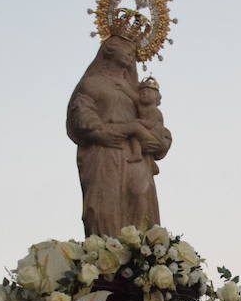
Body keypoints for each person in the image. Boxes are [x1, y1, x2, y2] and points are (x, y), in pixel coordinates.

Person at [66, 34, 171, 236]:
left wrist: (161, 142)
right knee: (105, 208)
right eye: (126, 49)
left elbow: (156, 122)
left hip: (137, 157)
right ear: (110, 49)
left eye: (133, 51)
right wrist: (106, 131)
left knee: (140, 200)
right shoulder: (93, 83)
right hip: (106, 153)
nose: (131, 55)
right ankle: (105, 251)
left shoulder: (138, 92)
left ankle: (142, 253)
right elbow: (81, 116)